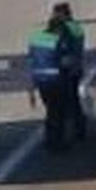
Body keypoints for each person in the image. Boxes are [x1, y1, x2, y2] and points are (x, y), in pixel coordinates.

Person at [27, 12, 77, 152]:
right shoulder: (59, 41)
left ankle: (50, 139)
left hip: (40, 81)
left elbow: (31, 61)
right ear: (58, 29)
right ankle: (57, 142)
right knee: (58, 112)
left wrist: (31, 88)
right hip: (56, 80)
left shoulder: (36, 39)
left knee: (50, 111)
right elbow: (66, 62)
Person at [54, 2, 88, 142]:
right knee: (72, 100)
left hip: (69, 69)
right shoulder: (75, 27)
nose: (55, 16)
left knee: (69, 100)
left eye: (57, 13)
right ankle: (78, 128)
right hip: (75, 68)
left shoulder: (68, 28)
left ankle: (75, 129)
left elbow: (67, 48)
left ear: (63, 13)